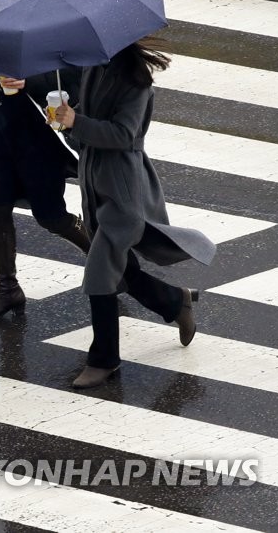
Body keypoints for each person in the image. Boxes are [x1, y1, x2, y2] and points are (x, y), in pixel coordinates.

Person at [54, 38, 215, 388]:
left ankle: (104, 359)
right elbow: (86, 129)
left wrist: (76, 120)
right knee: (121, 270)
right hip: (94, 183)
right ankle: (175, 301)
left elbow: (125, 134)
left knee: (99, 275)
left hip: (123, 191)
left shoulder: (136, 82)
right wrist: (67, 119)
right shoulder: (94, 68)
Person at [0, 0, 91, 323]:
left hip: (36, 137)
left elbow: (70, 78)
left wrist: (28, 80)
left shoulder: (49, 19)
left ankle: (110, 265)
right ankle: (8, 290)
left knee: (51, 216)